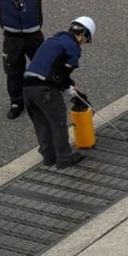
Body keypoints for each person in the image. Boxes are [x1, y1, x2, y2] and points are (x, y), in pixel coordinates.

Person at [22, 16, 95, 169]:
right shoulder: (72, 47)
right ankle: (64, 159)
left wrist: (71, 88)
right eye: (86, 40)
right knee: (58, 124)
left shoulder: (53, 40)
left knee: (41, 123)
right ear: (83, 34)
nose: (84, 43)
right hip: (45, 90)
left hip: (27, 89)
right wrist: (75, 95)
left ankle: (49, 157)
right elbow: (62, 76)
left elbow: (58, 73)